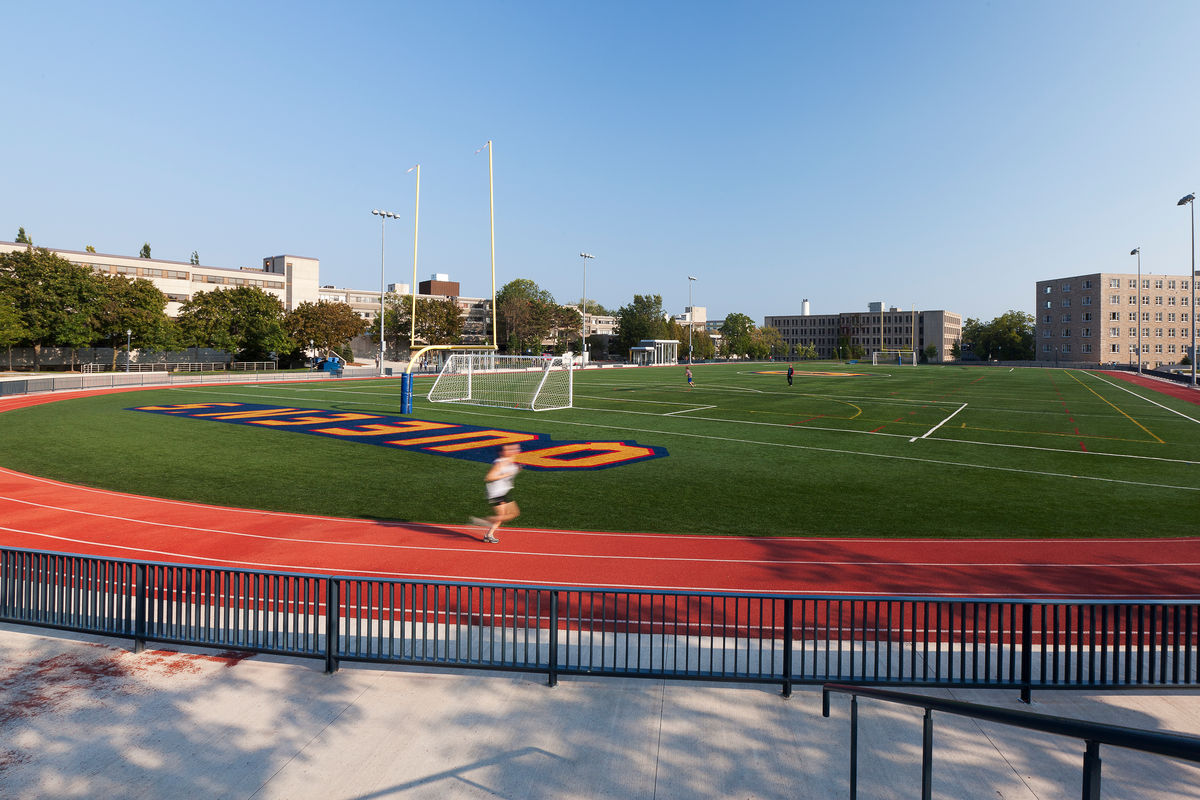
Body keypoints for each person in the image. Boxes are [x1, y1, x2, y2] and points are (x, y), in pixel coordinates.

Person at [473, 443, 522, 543]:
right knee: (509, 514)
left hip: (504, 492)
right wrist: (505, 475)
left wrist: (515, 450)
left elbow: (514, 453)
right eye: (507, 450)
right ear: (501, 452)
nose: (511, 451)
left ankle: (489, 535)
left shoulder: (508, 460)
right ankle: (486, 521)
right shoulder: (499, 463)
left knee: (511, 514)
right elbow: (488, 477)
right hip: (496, 493)